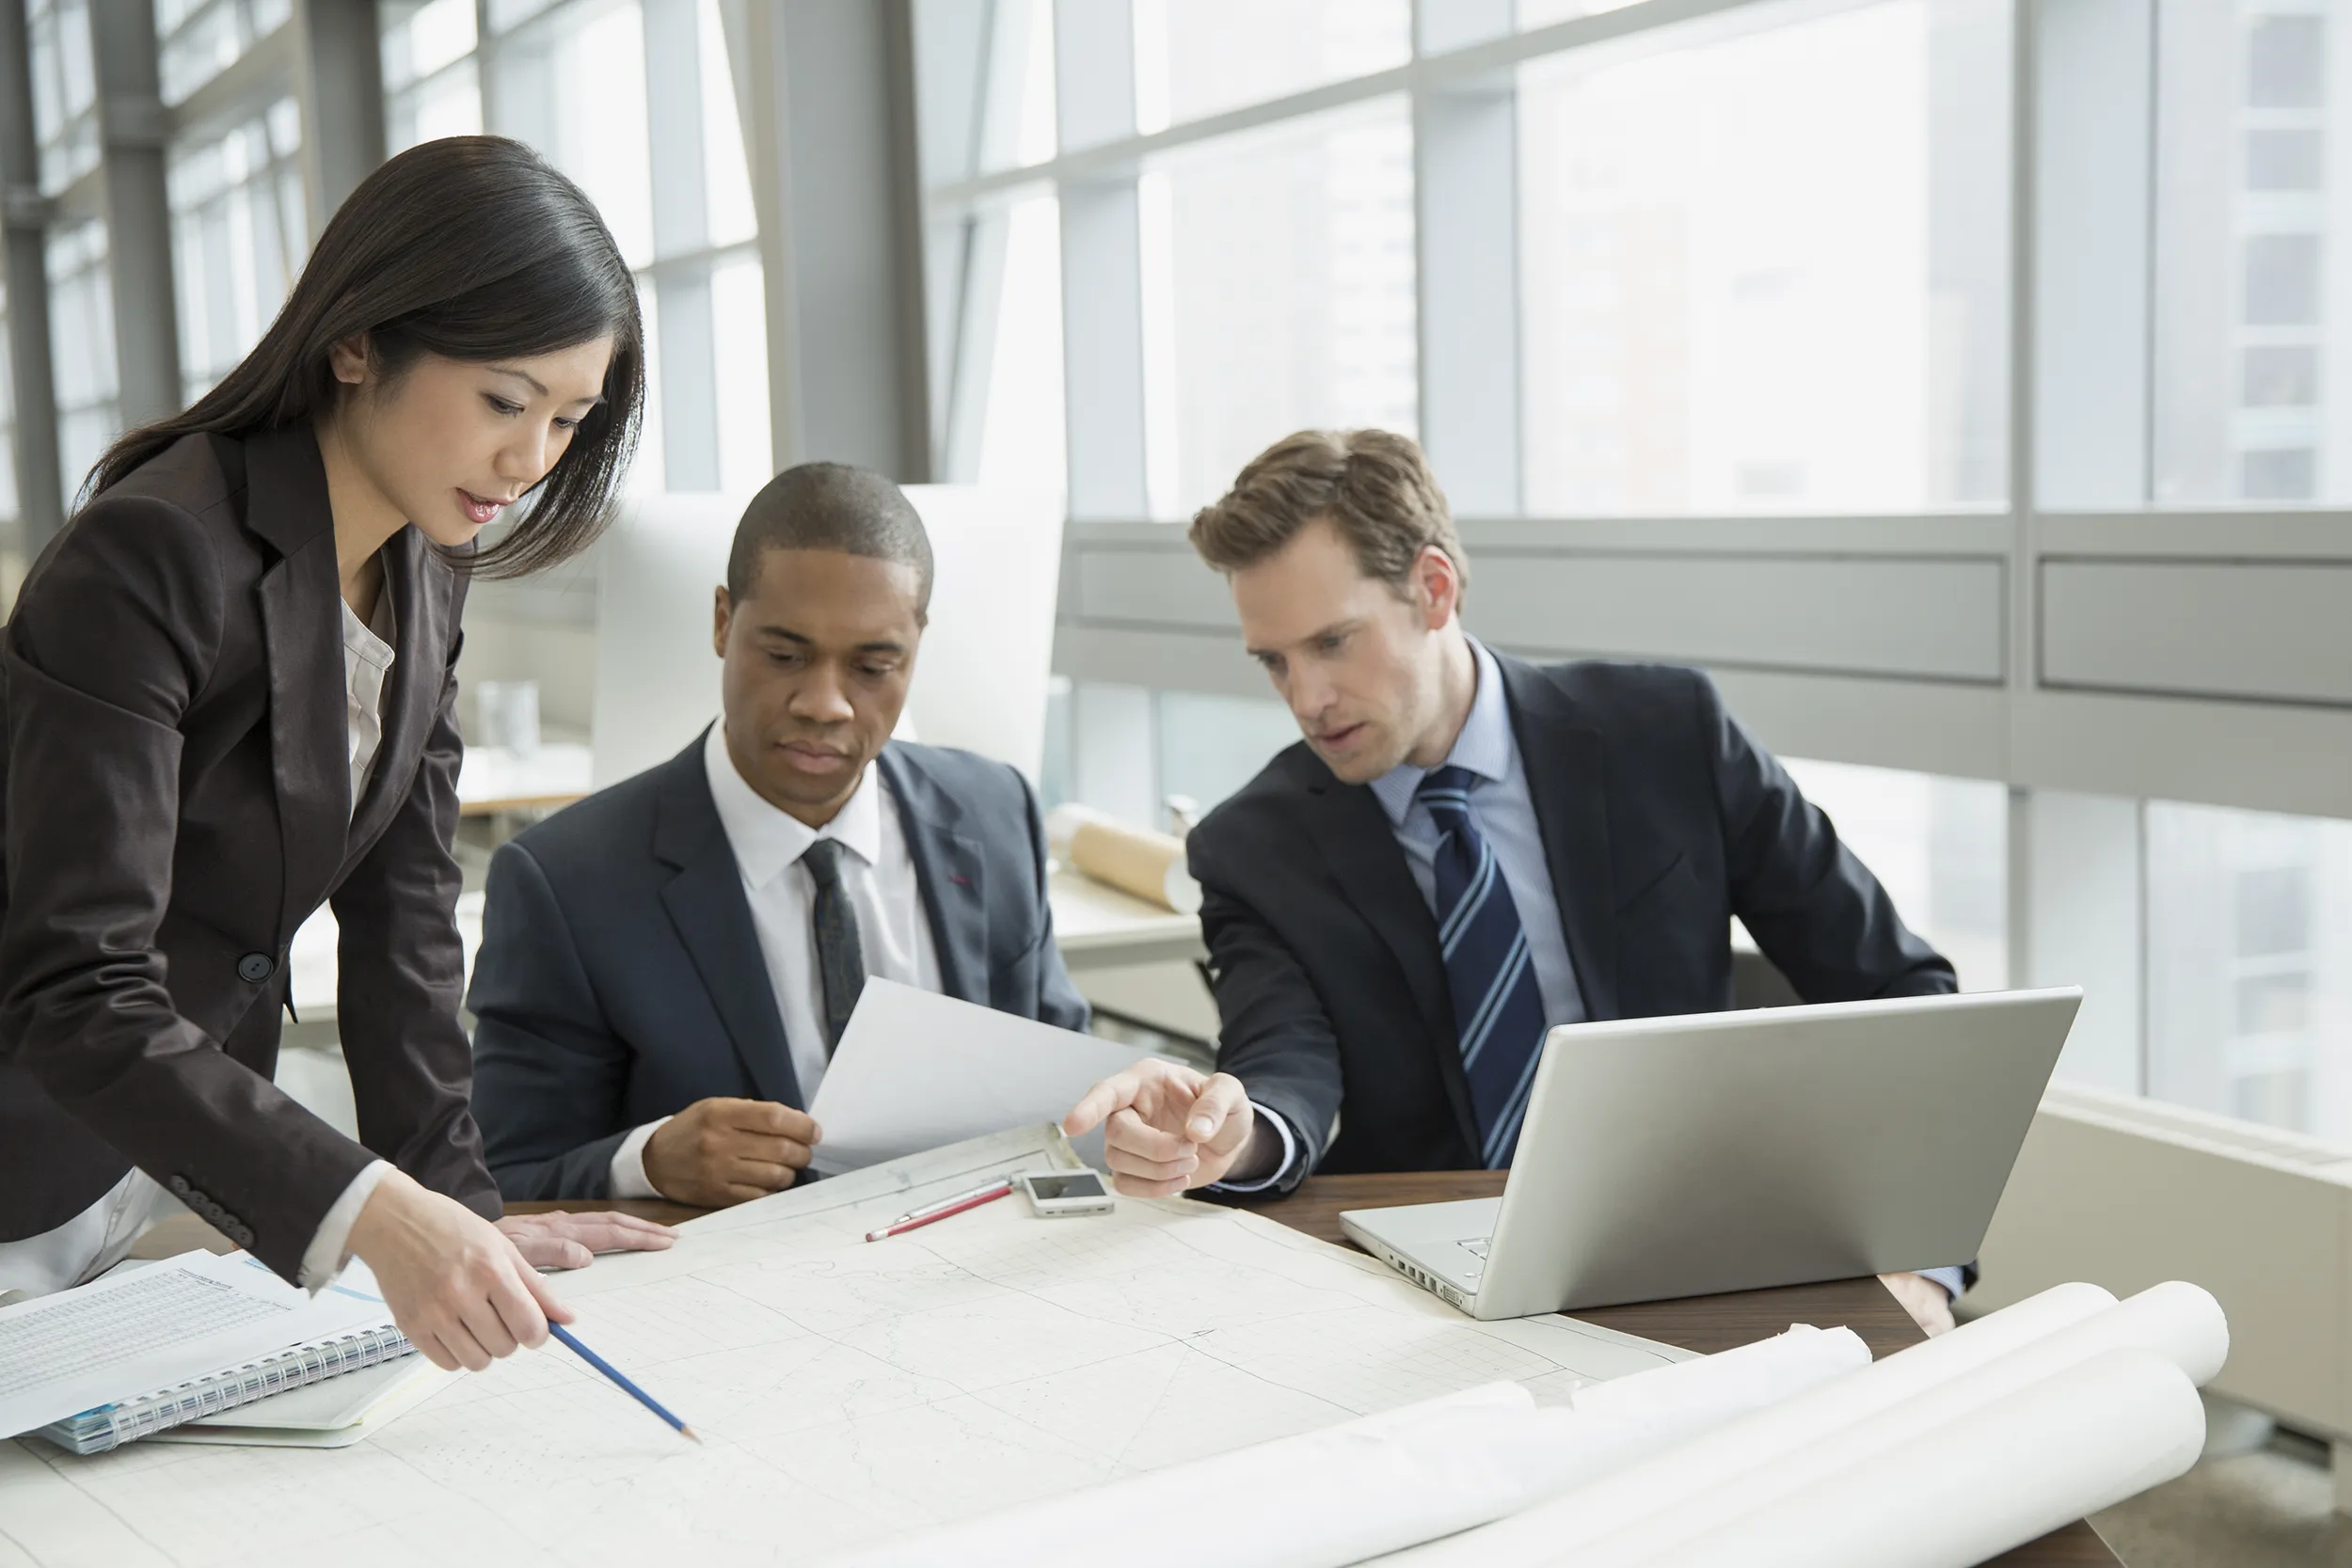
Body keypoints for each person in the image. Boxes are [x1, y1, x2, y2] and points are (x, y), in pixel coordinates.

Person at [0, 136, 675, 1371]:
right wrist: (373, 1208)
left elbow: (407, 906)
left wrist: (463, 1213)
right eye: (504, 400)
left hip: (166, 1168)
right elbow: (78, 988)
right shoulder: (148, 555)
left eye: (569, 419)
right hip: (25, 1152)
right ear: (359, 341)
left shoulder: (428, 557)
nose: (530, 463)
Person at [1064, 429, 1966, 1332]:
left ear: (1434, 589)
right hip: (1425, 1296)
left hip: (1699, 1247)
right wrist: (1231, 1131)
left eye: (1333, 642)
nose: (1306, 698)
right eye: (1274, 661)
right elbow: (1283, 1065)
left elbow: (1905, 994)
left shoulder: (1668, 735)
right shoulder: (1254, 845)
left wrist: (1921, 1263)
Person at [468, 463, 1089, 1207]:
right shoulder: (565, 881)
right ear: (724, 622)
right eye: (786, 655)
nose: (824, 703)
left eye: (872, 665)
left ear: (916, 648)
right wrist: (646, 1161)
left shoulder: (996, 811)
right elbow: (501, 1180)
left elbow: (1065, 1095)